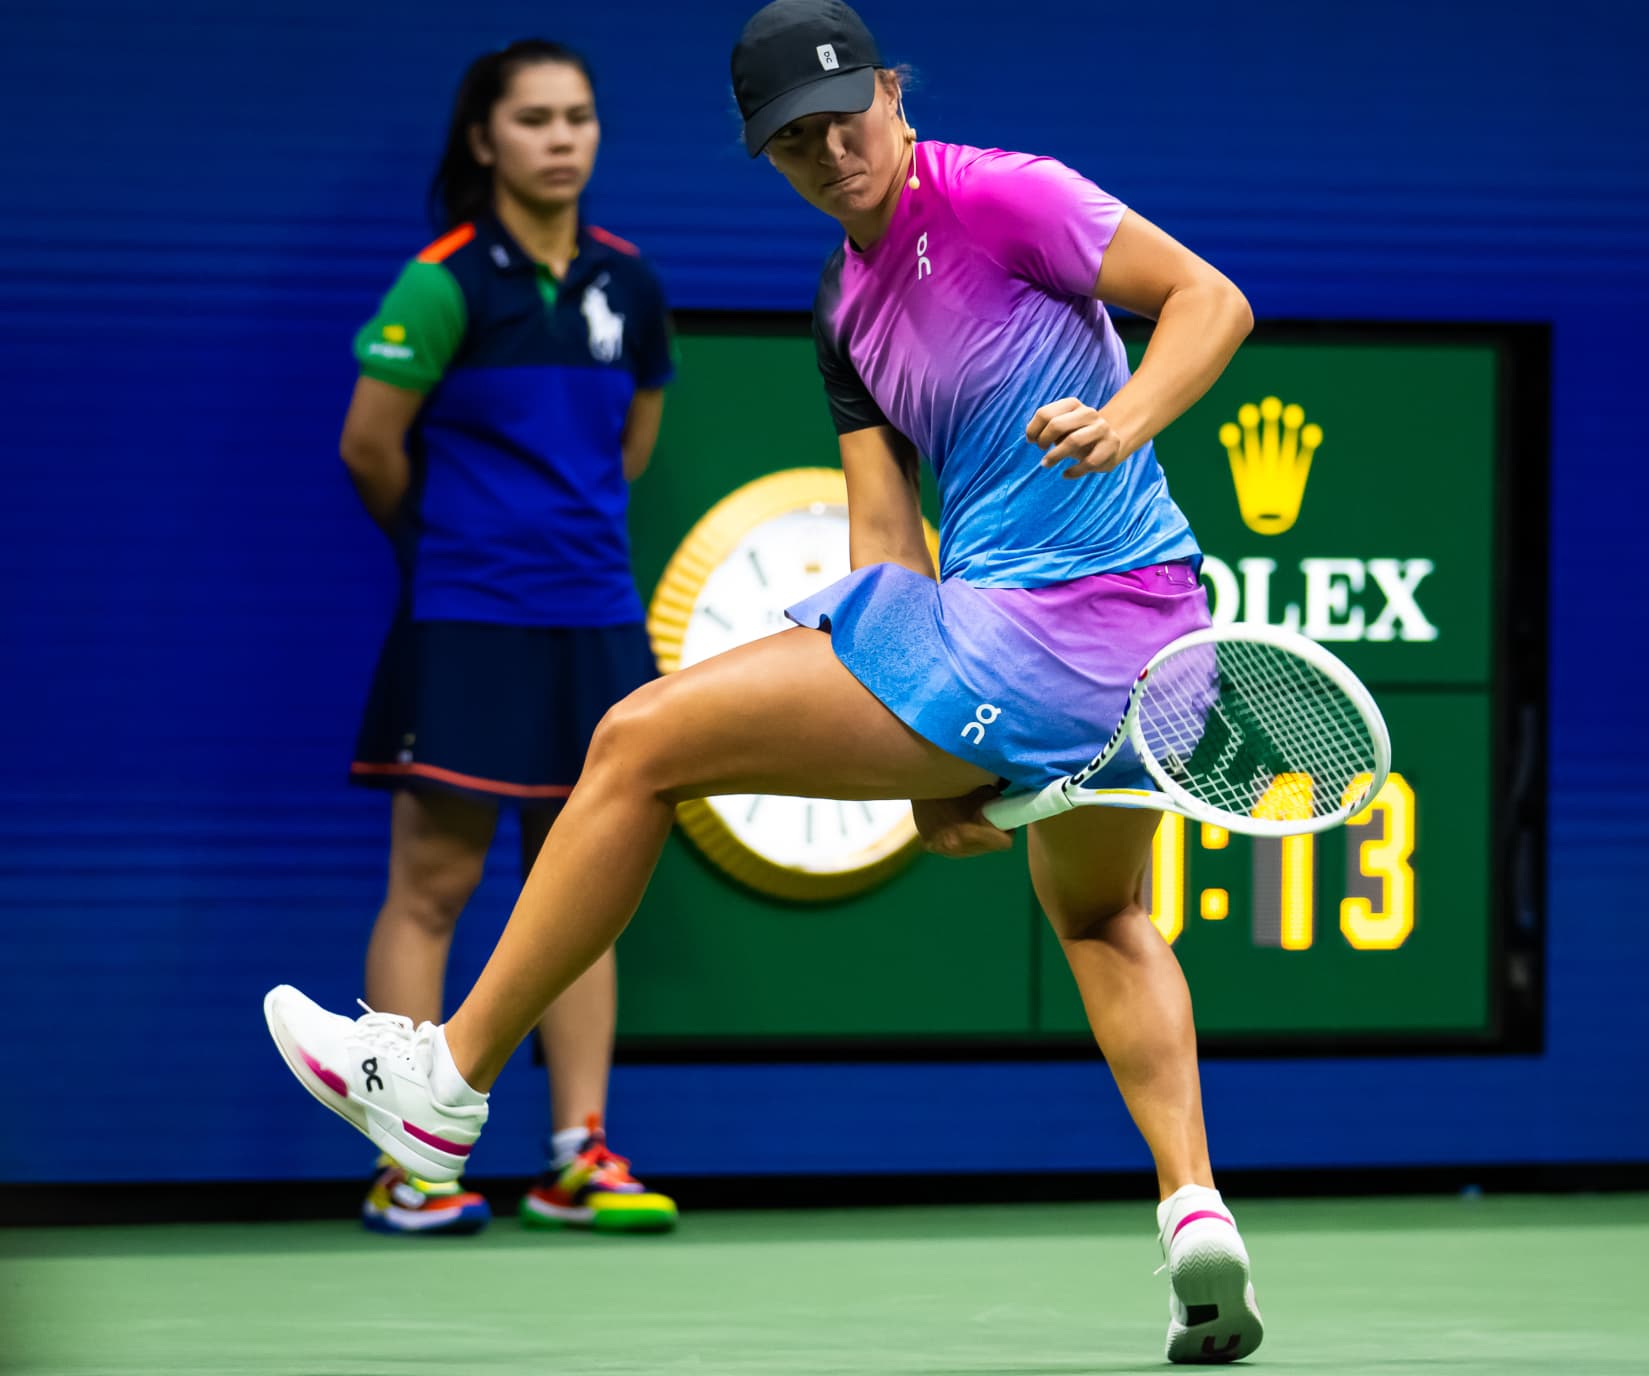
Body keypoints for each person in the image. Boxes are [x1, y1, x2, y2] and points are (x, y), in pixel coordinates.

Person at [270, 0, 1259, 1358]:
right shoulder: (843, 311)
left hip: (1077, 634)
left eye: (843, 119)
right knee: (1100, 922)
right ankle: (1195, 1211)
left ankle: (443, 1085)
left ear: (893, 94)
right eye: (792, 143)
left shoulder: (1004, 196)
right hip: (1127, 668)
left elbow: (1212, 299)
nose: (829, 153)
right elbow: (881, 539)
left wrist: (1122, 417)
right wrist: (925, 756)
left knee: (635, 744)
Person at [333, 38, 676, 1235]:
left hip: (596, 615)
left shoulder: (628, 284)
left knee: (580, 883)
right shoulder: (439, 282)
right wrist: (455, 550)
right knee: (431, 886)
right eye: (534, 119)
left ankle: (578, 1152)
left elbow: (632, 441)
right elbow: (371, 448)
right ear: (485, 139)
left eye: (579, 116)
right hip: (467, 615)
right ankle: (409, 1159)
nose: (562, 138)